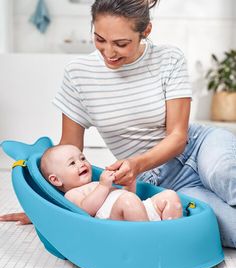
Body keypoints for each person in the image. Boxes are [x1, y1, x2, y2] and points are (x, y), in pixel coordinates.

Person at [0, 0, 235, 247]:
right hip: (162, 183)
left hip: (199, 147)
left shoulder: (169, 58)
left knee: (223, 175)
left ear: (146, 31)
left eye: (121, 44)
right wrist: (51, 210)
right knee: (223, 226)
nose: (109, 52)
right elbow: (68, 150)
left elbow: (178, 136)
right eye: (100, 39)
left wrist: (135, 163)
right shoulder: (78, 73)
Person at [39, 144, 182, 221]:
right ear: (56, 180)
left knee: (170, 195)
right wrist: (103, 186)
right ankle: (150, 241)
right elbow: (86, 210)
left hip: (138, 214)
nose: (81, 164)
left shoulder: (97, 184)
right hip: (115, 221)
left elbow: (129, 197)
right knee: (128, 201)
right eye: (72, 163)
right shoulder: (72, 194)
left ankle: (171, 234)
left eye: (82, 158)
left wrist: (130, 183)